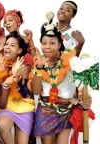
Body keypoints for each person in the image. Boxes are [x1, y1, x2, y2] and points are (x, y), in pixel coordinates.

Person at [31, 12, 92, 144]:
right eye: (44, 43)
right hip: (45, 110)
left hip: (66, 110)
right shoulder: (39, 62)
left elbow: (82, 86)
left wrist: (86, 99)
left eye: (52, 43)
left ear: (59, 45)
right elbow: (36, 91)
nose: (47, 47)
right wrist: (39, 69)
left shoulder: (70, 61)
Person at [0, 31, 35, 144]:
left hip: (23, 107)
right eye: (6, 44)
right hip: (5, 105)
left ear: (19, 51)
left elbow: (24, 93)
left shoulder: (24, 68)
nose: (7, 47)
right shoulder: (0, 63)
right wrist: (1, 70)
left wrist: (14, 75)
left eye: (12, 45)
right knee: (2, 125)